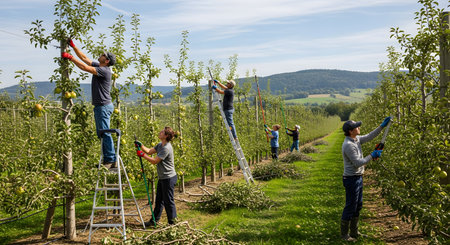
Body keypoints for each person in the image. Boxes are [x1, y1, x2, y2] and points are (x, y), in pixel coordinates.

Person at [62, 39, 117, 168]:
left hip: (103, 106)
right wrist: (73, 47)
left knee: (105, 133)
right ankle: (109, 158)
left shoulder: (105, 71)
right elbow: (85, 59)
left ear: (107, 60)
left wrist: (70, 58)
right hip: (101, 106)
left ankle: (110, 160)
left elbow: (84, 67)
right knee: (102, 133)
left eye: (103, 55)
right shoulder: (100, 66)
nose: (101, 55)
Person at [340, 116, 391, 241]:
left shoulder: (356, 139)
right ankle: (345, 235)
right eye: (356, 127)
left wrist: (381, 126)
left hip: (358, 177)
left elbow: (369, 136)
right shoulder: (348, 145)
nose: (359, 127)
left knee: (358, 205)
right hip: (351, 179)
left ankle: (354, 232)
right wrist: (372, 155)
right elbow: (358, 163)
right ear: (351, 131)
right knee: (351, 206)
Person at [135, 127, 178, 226]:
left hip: (169, 178)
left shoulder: (166, 148)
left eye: (162, 132)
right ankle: (154, 220)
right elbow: (149, 151)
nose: (160, 132)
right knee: (159, 200)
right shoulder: (160, 145)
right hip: (163, 177)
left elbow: (155, 161)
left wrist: (142, 155)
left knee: (168, 201)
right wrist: (141, 146)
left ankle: (173, 223)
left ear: (166, 136)